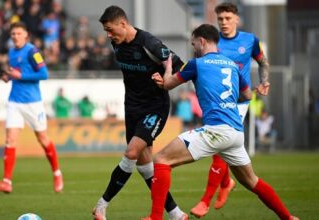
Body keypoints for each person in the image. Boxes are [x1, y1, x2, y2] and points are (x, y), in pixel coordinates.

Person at [143, 24, 298, 220]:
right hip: (235, 132)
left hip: (216, 130)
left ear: (202, 41)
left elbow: (167, 85)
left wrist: (166, 69)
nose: (193, 48)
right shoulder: (233, 65)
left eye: (193, 44)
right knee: (252, 181)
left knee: (161, 160)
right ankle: (288, 217)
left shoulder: (196, 64)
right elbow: (246, 95)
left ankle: (155, 217)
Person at [92, 5, 188, 220]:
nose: (108, 35)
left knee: (131, 153)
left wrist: (167, 79)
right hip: (132, 107)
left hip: (155, 107)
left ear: (123, 24)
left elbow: (178, 65)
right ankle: (175, 213)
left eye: (110, 29)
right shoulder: (115, 42)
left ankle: (101, 205)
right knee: (145, 166)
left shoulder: (149, 43)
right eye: (105, 31)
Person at [190, 3, 272, 218]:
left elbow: (262, 61)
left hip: (239, 102)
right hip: (215, 103)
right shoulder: (211, 43)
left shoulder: (249, 40)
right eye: (220, 19)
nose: (224, 23)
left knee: (219, 145)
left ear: (237, 19)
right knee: (221, 147)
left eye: (228, 18)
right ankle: (226, 182)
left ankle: (205, 201)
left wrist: (264, 81)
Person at [0, 22, 63, 194]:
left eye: (18, 33)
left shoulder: (33, 51)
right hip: (14, 101)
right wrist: (9, 77)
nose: (15, 36)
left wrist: (20, 76)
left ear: (26, 35)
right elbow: (16, 72)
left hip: (32, 103)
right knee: (10, 140)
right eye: (13, 33)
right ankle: (7, 181)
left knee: (43, 139)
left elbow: (43, 74)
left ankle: (57, 173)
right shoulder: (11, 51)